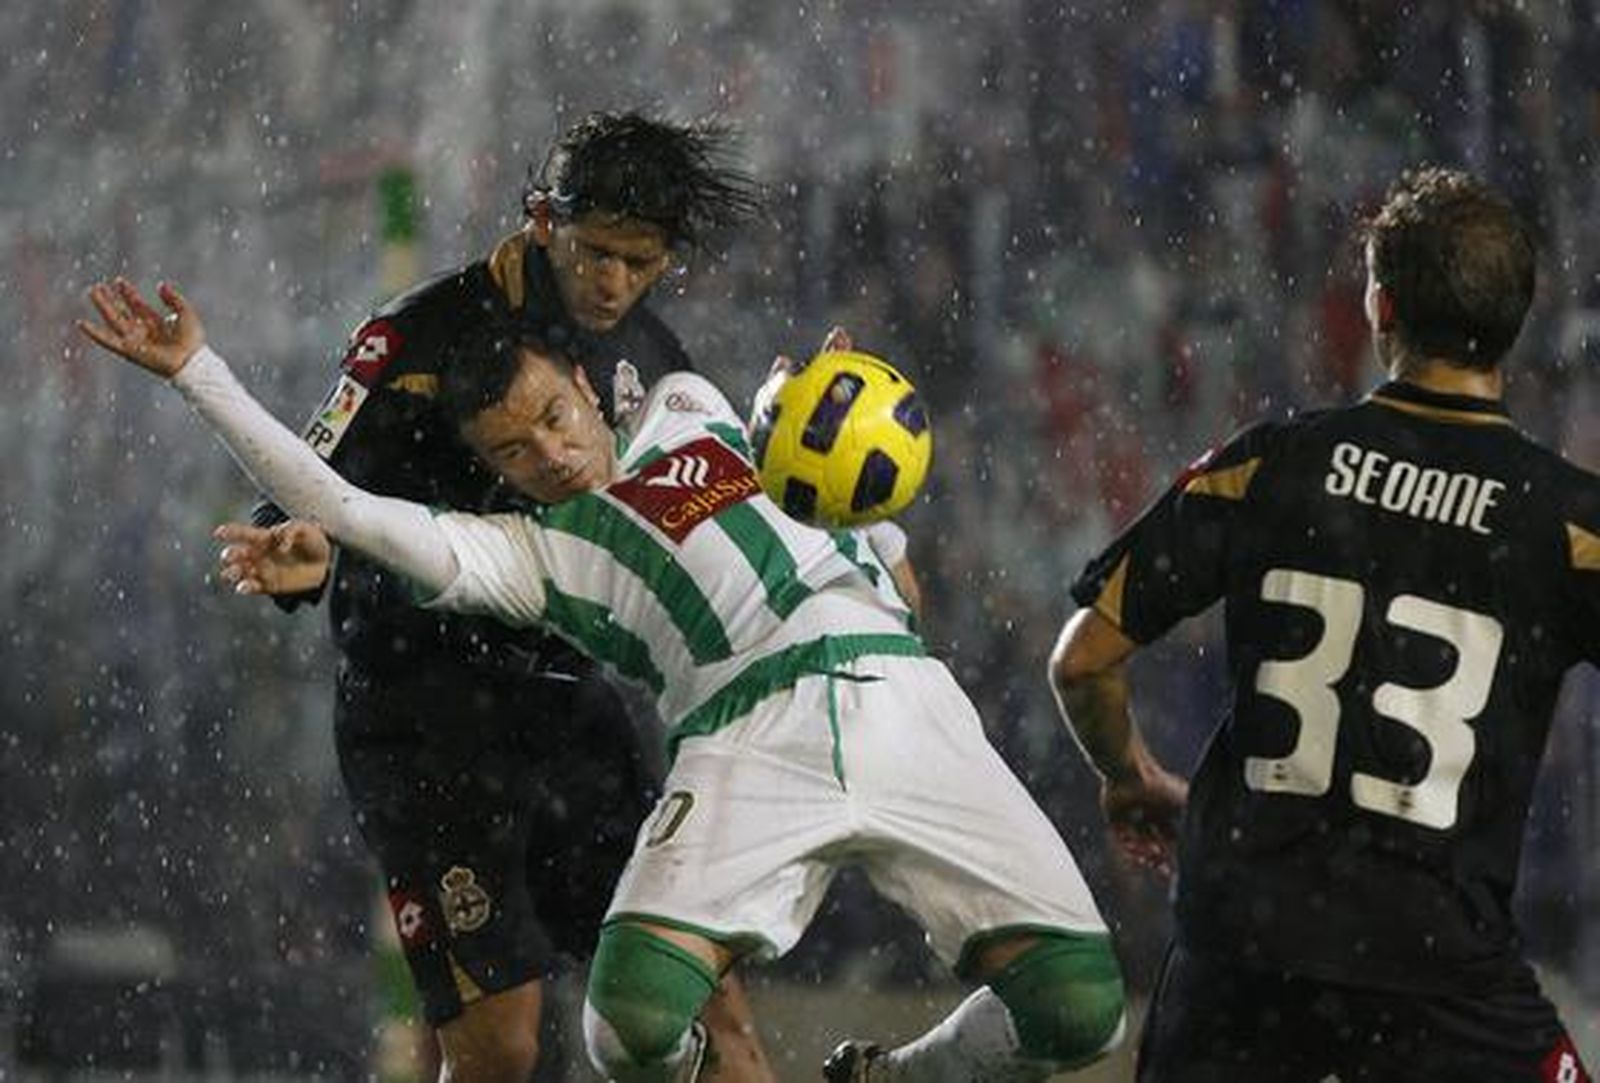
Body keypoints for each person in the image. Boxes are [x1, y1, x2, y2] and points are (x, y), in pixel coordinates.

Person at [78, 278, 1127, 1083]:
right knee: (628, 1022)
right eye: (515, 450)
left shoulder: (687, 401)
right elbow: (344, 508)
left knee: (1080, 1008)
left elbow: (805, 432)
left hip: (907, 699)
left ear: (586, 384)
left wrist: (832, 402)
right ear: (494, 470)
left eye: (552, 414)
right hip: (744, 731)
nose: (551, 450)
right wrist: (199, 374)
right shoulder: (527, 557)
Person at [232, 111, 774, 1082]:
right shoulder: (414, 335)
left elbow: (706, 509)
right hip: (423, 722)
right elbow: (301, 488)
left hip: (571, 705)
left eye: (639, 261)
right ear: (539, 220)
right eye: (596, 250)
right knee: (498, 1048)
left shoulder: (653, 359)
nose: (614, 280)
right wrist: (301, 549)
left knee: (703, 1000)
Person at [1048, 166, 1597, 1081]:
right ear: (1516, 325)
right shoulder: (1564, 523)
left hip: (1240, 950)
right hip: (1437, 974)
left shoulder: (1273, 465)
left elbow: (1081, 662)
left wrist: (1128, 773)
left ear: (1380, 308)